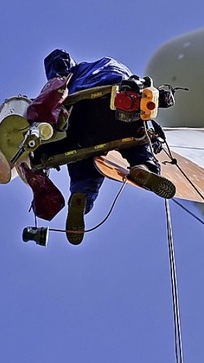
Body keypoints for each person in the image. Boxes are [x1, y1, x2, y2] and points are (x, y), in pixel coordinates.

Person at [43, 49, 175, 245]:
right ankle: (142, 167)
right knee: (137, 141)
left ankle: (81, 196)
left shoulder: (71, 76)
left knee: (82, 160)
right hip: (118, 101)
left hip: (79, 114)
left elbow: (56, 63)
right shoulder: (114, 67)